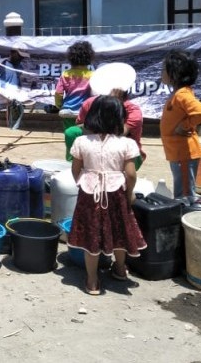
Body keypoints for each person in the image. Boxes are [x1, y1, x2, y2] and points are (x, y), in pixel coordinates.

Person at [67, 95, 147, 296]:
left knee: (90, 236)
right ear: (119, 118)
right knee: (119, 230)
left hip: (89, 194)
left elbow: (75, 170)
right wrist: (129, 195)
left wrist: (83, 182)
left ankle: (92, 281)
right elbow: (130, 174)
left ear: (93, 116)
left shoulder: (81, 141)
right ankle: (120, 269)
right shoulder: (127, 144)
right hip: (116, 194)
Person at [64, 62, 145, 169]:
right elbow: (79, 128)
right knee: (71, 132)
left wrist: (94, 124)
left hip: (124, 151)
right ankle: (76, 164)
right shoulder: (89, 103)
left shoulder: (133, 111)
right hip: (95, 144)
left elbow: (119, 134)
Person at [160, 49, 201, 198]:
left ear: (174, 73)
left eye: (164, 69)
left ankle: (185, 217)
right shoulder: (178, 94)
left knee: (185, 195)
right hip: (177, 154)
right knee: (182, 190)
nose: (161, 72)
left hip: (184, 154)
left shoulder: (182, 95)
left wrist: (184, 125)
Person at [55, 40, 94, 124]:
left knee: (69, 133)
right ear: (89, 58)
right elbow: (95, 95)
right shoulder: (92, 75)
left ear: (71, 58)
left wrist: (59, 105)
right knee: (83, 134)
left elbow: (59, 93)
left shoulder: (66, 74)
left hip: (67, 111)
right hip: (85, 111)